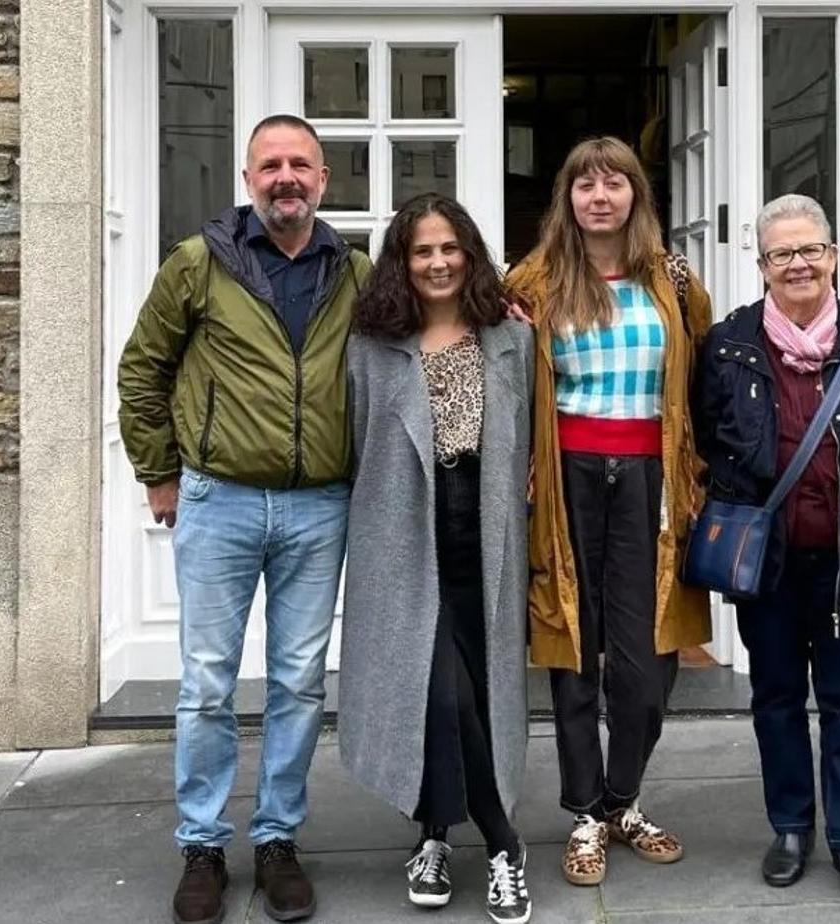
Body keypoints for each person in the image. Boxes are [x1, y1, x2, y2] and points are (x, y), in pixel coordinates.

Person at [118, 114, 371, 924]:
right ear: (248, 178)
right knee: (205, 684)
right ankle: (201, 844)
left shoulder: (355, 273)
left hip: (319, 504)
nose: (286, 178)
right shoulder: (198, 264)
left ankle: (276, 841)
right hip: (218, 499)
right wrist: (159, 472)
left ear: (324, 179)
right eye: (271, 166)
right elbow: (142, 370)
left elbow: (418, 341)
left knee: (299, 682)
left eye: (301, 164)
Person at [691, 193, 840, 908]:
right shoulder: (729, 344)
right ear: (761, 265)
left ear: (832, 256)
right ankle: (791, 827)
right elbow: (705, 440)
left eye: (810, 250)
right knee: (774, 699)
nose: (797, 264)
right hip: (766, 561)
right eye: (781, 253)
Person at [506, 136, 712, 887]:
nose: (600, 196)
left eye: (614, 183)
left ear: (635, 195)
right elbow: (504, 381)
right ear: (567, 197)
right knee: (572, 646)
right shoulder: (532, 282)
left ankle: (624, 797)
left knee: (649, 655)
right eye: (584, 183)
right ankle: (587, 812)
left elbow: (704, 385)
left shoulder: (675, 281)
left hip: (652, 478)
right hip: (568, 480)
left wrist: (704, 475)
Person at [339, 194, 534, 924]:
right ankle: (504, 844)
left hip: (483, 530)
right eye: (422, 250)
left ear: (470, 253)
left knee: (476, 690)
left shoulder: (509, 337)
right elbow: (356, 440)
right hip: (402, 535)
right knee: (437, 691)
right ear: (402, 260)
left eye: (450, 247)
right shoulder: (372, 342)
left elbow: (529, 434)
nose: (438, 261)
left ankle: (433, 836)